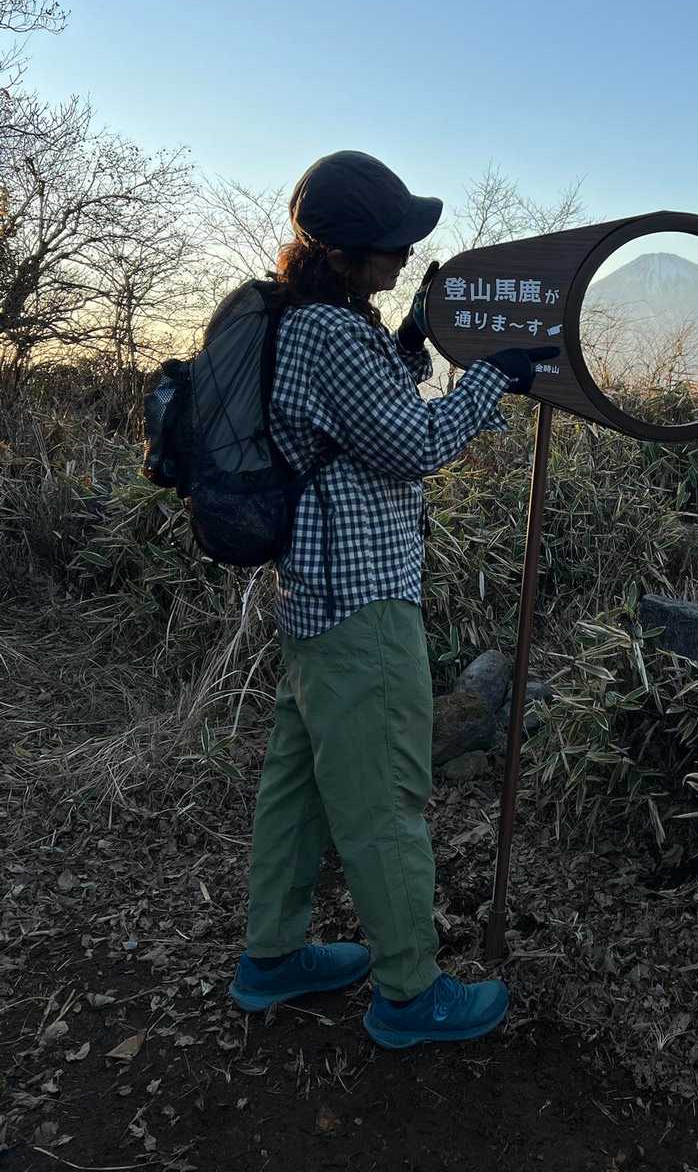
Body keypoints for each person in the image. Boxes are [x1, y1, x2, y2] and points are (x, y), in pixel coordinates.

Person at [226, 150, 556, 1049]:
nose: (407, 252)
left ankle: (272, 958)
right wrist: (495, 376)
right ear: (344, 252)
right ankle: (411, 993)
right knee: (383, 799)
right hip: (364, 604)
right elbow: (412, 444)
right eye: (394, 241)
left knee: (298, 789)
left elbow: (358, 417)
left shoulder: (305, 319)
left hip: (313, 598)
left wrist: (410, 340)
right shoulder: (332, 333)